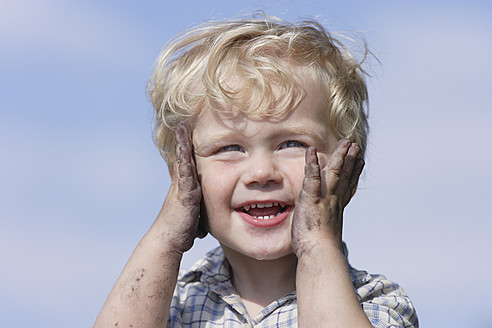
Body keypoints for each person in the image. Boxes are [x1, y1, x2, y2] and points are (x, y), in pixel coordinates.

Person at [95, 13, 418, 328]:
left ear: (347, 167)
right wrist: (165, 238)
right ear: (184, 173)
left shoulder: (375, 301)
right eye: (229, 148)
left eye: (292, 143)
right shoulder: (168, 304)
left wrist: (316, 244)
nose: (261, 172)